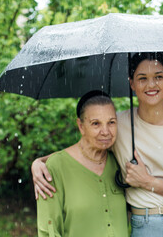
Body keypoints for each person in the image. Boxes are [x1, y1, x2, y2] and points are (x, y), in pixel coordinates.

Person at [32, 52, 163, 237]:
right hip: (146, 226)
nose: (151, 85)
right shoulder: (116, 124)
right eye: (142, 78)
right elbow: (84, 147)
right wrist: (40, 162)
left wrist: (148, 182)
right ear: (131, 83)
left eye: (158, 77)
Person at [36, 91, 128, 237]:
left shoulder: (120, 160)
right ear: (81, 126)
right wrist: (37, 162)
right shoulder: (56, 167)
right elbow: (48, 231)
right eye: (96, 123)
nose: (105, 132)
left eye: (111, 122)